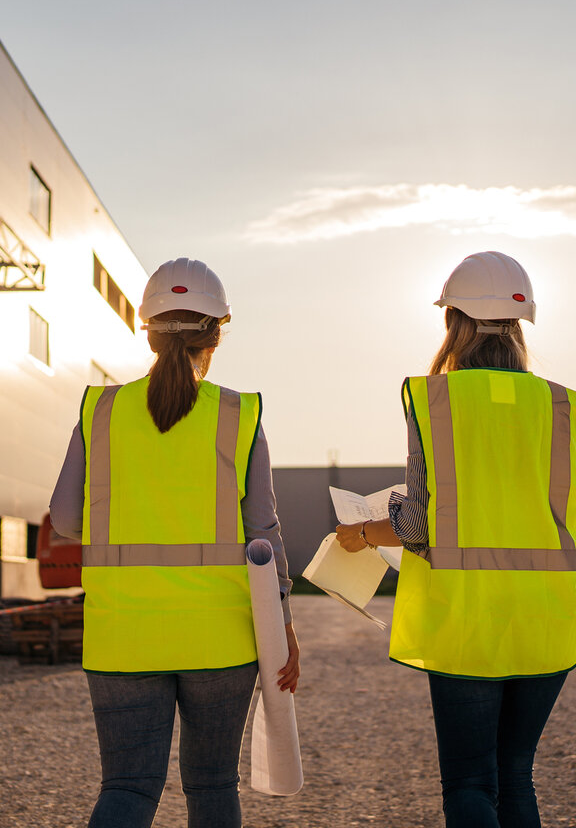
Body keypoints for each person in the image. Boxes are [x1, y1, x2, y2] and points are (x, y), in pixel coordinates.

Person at [50, 257, 299, 828]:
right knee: (212, 787)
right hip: (220, 638)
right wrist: (283, 623)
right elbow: (263, 532)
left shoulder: (101, 410)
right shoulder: (239, 414)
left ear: (148, 330)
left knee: (129, 788)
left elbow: (65, 519)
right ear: (217, 331)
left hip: (123, 636)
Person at [336, 250, 576, 828]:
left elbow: (418, 524)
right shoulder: (562, 405)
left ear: (455, 324)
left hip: (466, 620)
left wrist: (362, 532)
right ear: (519, 327)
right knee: (517, 775)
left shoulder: (434, 400)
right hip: (546, 621)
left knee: (471, 782)